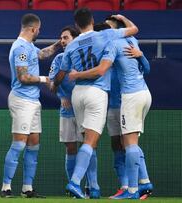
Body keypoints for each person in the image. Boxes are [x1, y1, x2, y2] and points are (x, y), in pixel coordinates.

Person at [52, 8, 139, 199]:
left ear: (76, 25)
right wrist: (122, 18)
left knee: (87, 142)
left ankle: (94, 188)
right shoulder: (105, 35)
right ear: (92, 20)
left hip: (77, 94)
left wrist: (55, 86)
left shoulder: (72, 45)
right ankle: (75, 182)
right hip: (96, 92)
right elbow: (134, 30)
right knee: (91, 143)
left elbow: (60, 75)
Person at [69, 17, 153, 199]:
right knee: (125, 142)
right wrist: (141, 55)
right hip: (140, 95)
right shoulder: (132, 41)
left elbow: (100, 70)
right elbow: (146, 69)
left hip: (128, 98)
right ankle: (141, 183)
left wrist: (77, 75)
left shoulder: (112, 46)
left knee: (129, 143)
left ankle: (132, 190)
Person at [0, 13, 62, 198]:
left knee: (34, 144)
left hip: (33, 101)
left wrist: (58, 45)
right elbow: (23, 77)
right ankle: (6, 187)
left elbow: (42, 54)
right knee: (19, 144)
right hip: (22, 100)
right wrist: (45, 79)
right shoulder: (20, 48)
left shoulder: (29, 46)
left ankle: (27, 188)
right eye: (39, 29)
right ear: (33, 29)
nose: (39, 32)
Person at [48, 26, 82, 188]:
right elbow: (52, 84)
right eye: (61, 38)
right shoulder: (59, 58)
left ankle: (90, 187)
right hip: (67, 111)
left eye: (65, 37)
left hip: (84, 109)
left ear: (75, 39)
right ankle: (73, 186)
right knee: (70, 148)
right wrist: (62, 96)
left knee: (88, 147)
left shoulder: (84, 57)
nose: (62, 41)